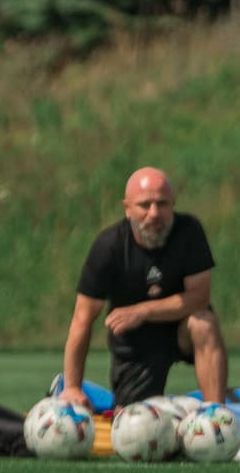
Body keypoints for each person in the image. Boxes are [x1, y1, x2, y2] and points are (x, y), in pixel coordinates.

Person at [59, 167, 228, 409]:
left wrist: (142, 311)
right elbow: (82, 318)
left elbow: (199, 298)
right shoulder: (109, 246)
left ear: (173, 204)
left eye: (162, 204)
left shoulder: (189, 232)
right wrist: (73, 387)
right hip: (135, 344)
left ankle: (217, 415)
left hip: (180, 329)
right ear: (127, 208)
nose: (154, 213)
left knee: (204, 323)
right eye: (144, 205)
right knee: (131, 422)